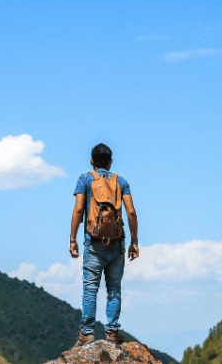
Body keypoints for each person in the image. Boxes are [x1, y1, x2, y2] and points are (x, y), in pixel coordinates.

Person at [70, 143, 139, 347]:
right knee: (114, 288)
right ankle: (112, 332)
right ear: (110, 162)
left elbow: (79, 209)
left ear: (92, 161)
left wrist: (73, 239)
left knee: (90, 288)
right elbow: (131, 212)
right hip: (117, 243)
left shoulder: (85, 179)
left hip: (94, 242)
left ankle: (86, 335)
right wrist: (134, 241)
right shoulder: (121, 182)